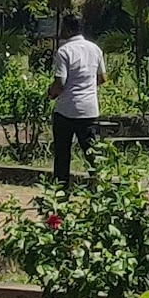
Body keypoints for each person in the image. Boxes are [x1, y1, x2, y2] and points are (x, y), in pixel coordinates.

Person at [48, 16, 106, 184]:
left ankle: (61, 192)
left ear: (68, 29)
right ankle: (99, 187)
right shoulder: (95, 49)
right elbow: (102, 77)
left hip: (66, 109)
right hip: (89, 109)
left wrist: (50, 93)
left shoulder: (64, 51)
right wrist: (87, 87)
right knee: (92, 153)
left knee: (62, 155)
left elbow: (60, 82)